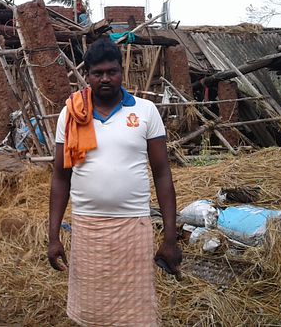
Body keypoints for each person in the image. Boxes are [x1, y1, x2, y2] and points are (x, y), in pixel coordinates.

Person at [48, 36, 181, 326]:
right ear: (87, 75)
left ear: (122, 72)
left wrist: (170, 237)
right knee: (91, 312)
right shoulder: (70, 115)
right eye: (97, 73)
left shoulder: (145, 111)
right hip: (87, 227)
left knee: (136, 313)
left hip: (133, 227)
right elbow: (60, 176)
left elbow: (162, 174)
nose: (105, 79)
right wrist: (53, 236)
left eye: (112, 72)